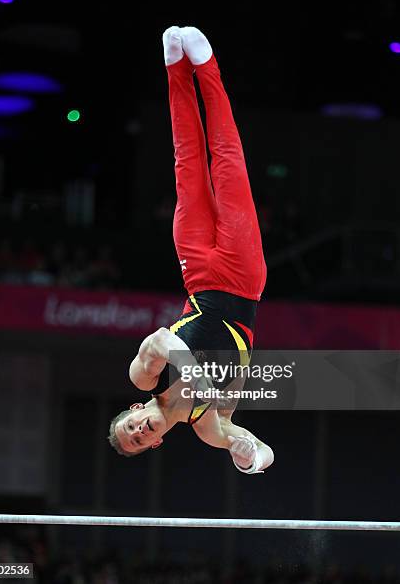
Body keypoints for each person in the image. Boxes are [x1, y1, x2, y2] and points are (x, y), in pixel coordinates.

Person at [108, 26, 274, 474]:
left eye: (131, 426)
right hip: (243, 280)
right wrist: (249, 457)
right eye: (140, 441)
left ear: (135, 407)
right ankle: (206, 67)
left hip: (198, 273)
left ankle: (175, 68)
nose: (139, 431)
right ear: (156, 445)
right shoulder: (208, 426)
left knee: (187, 164)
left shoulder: (143, 375)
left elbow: (163, 340)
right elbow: (254, 445)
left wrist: (193, 374)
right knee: (227, 161)